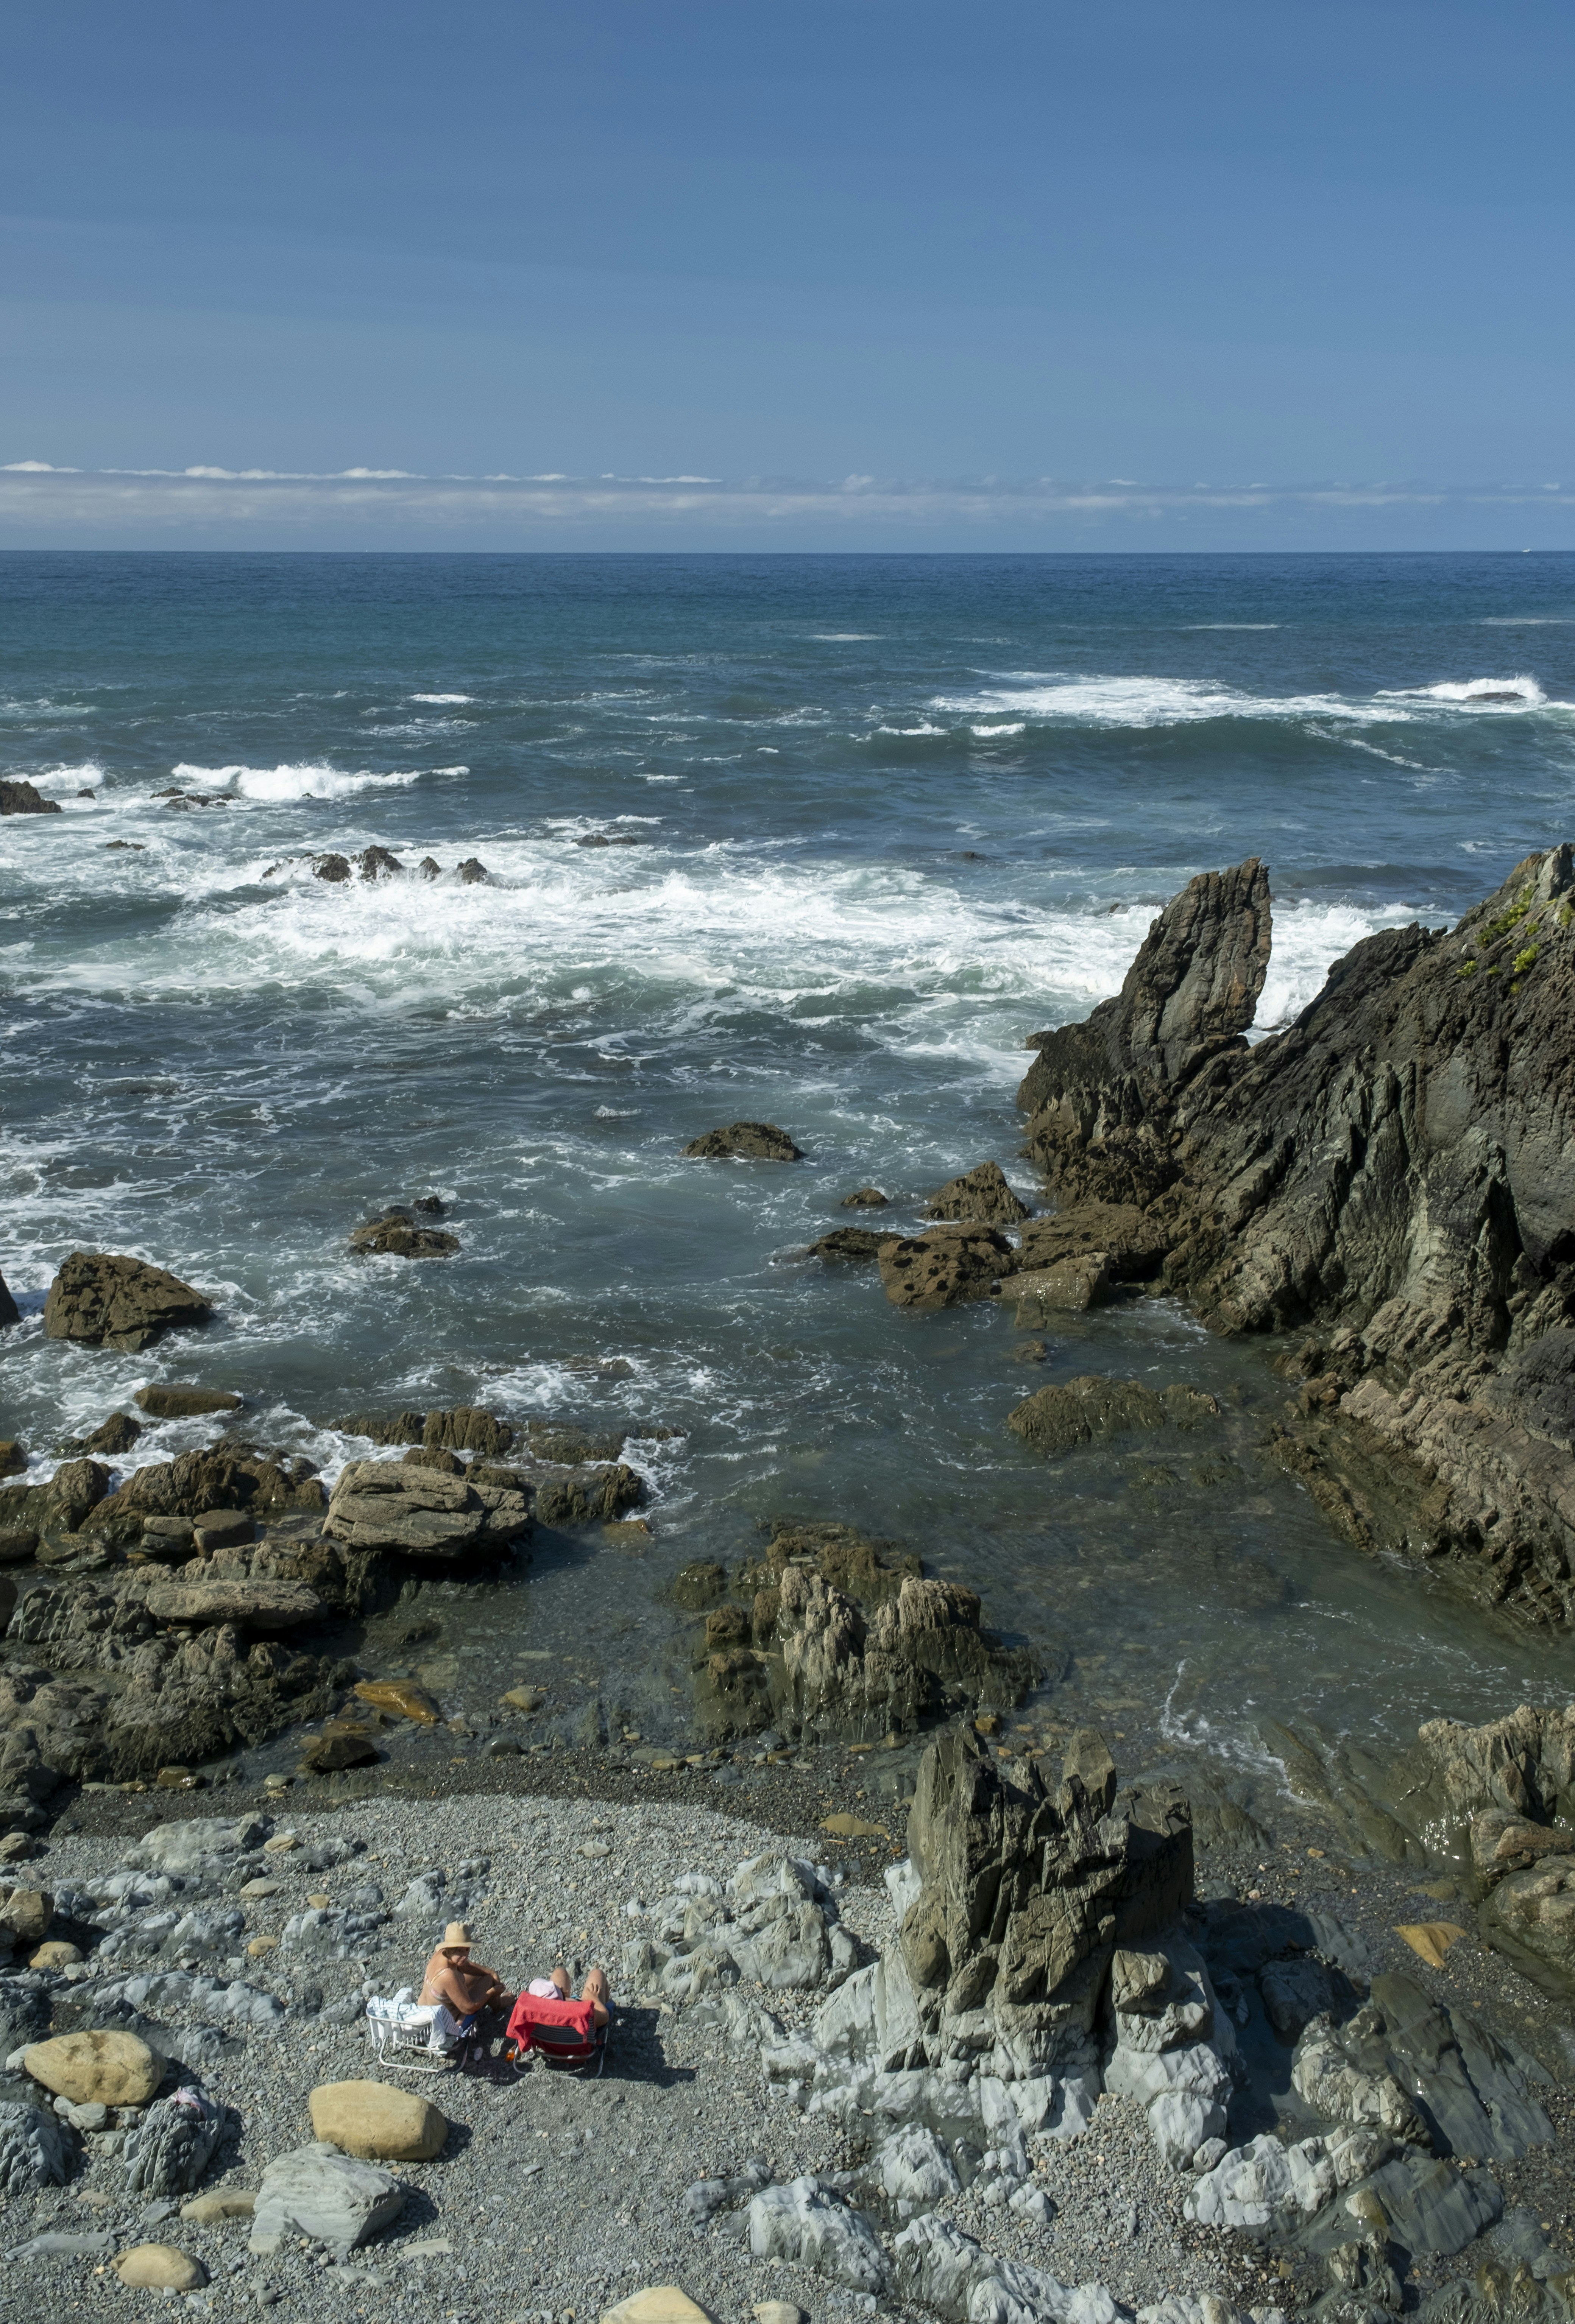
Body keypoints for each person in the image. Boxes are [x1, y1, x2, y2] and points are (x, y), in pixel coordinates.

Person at [418, 1922, 515, 2025]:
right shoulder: (447, 1974)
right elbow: (469, 2008)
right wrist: (492, 1992)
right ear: (451, 1949)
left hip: (424, 2010)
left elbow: (467, 1966)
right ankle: (499, 2005)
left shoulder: (442, 1954)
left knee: (486, 1976)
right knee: (488, 1981)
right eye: (460, 1951)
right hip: (440, 2022)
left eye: (467, 1950)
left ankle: (497, 2002)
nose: (465, 1956)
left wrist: (492, 1972)